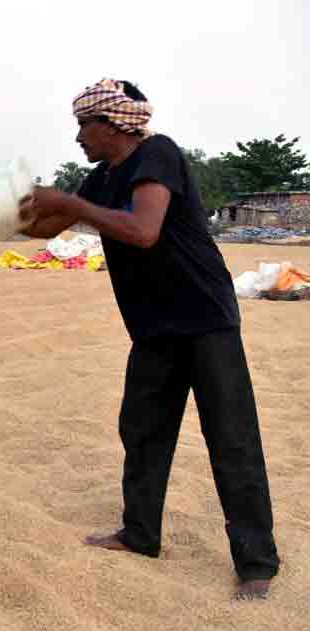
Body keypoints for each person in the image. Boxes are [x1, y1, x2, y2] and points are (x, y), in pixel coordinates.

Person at [19, 78, 280, 600]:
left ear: (111, 122)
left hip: (206, 321)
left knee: (232, 440)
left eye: (82, 126)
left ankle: (256, 563)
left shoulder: (156, 154)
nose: (77, 139)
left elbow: (143, 230)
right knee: (141, 432)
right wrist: (6, 210)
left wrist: (70, 200)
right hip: (154, 329)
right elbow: (44, 229)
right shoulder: (101, 179)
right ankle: (140, 533)